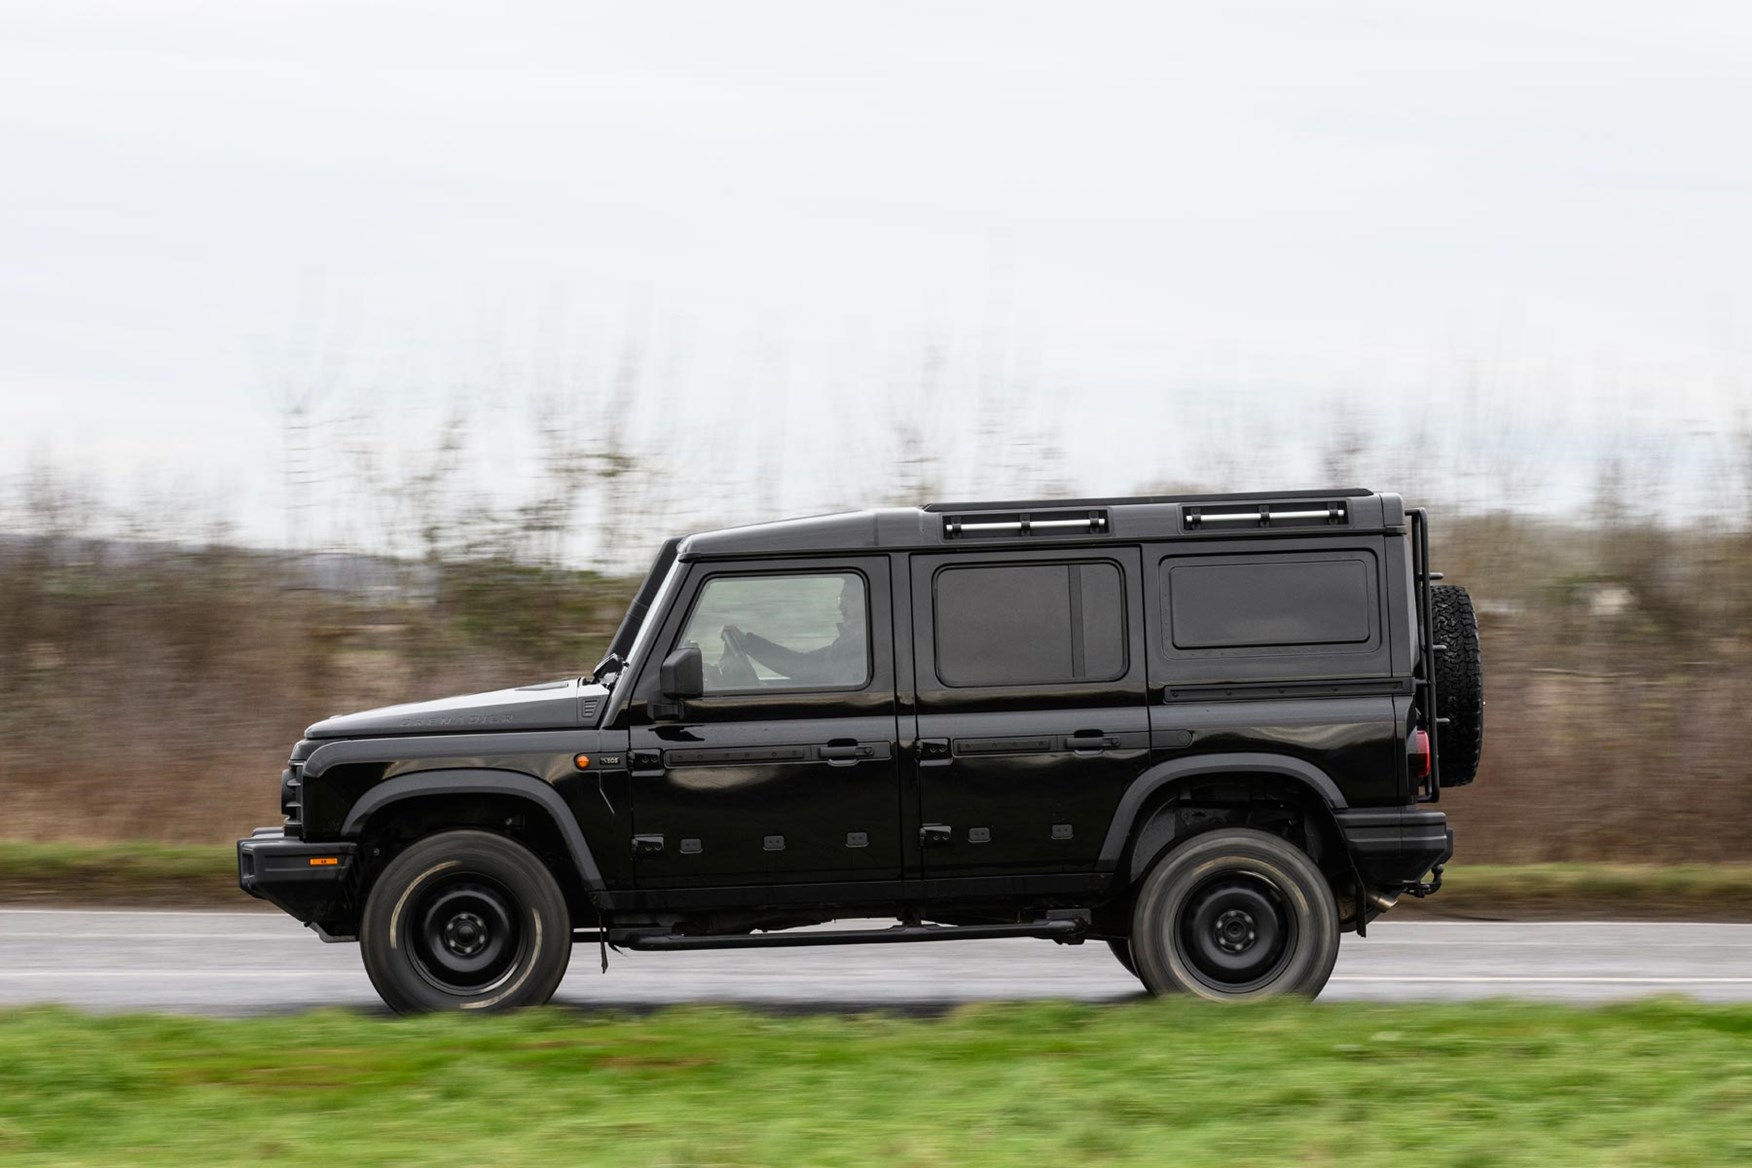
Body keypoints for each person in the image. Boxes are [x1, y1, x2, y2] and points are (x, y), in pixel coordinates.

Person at [721, 579, 866, 686]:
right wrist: (748, 643)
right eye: (841, 600)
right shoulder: (850, 642)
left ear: (867, 602)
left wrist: (749, 644)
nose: (841, 608)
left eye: (850, 599)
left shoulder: (859, 647)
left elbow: (802, 668)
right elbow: (802, 663)